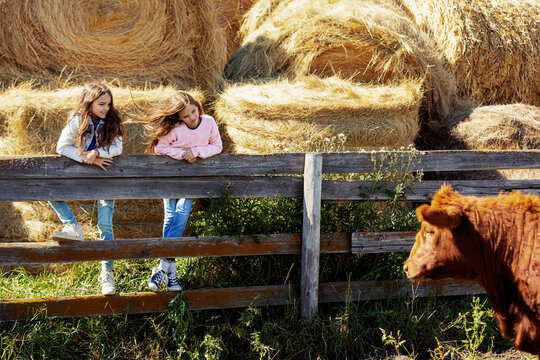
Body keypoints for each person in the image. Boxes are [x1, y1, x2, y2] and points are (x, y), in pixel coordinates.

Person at [132, 91, 222, 292]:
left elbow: (217, 145)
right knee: (170, 216)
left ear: (197, 106)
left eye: (193, 111)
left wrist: (197, 152)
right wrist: (183, 155)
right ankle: (171, 275)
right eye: (186, 116)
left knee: (181, 214)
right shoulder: (176, 129)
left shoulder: (208, 122)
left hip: (191, 180)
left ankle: (162, 265)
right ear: (179, 118)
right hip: (171, 178)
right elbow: (159, 149)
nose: (192, 117)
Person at [49, 82, 124, 295]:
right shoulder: (77, 120)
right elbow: (62, 146)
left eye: (109, 104)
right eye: (101, 104)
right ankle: (71, 225)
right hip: (83, 172)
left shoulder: (113, 121)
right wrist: (86, 159)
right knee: (49, 191)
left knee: (105, 226)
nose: (106, 108)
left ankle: (107, 273)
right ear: (89, 102)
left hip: (105, 177)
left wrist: (98, 153)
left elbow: (118, 147)